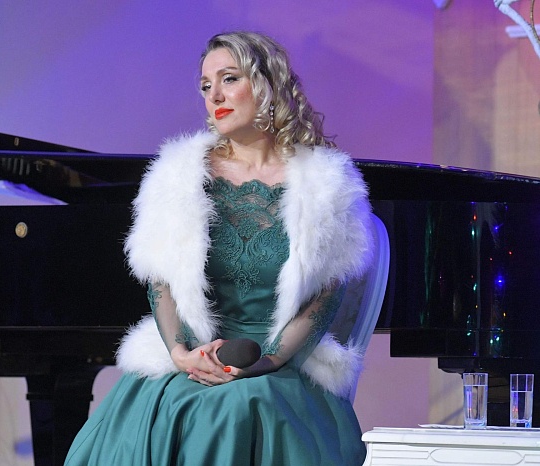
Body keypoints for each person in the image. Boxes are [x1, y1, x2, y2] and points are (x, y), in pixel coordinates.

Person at [64, 31, 373, 466]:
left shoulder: (326, 183)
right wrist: (182, 355)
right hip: (195, 356)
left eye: (229, 79)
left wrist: (268, 361)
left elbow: (324, 298)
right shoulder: (178, 175)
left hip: (281, 363)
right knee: (183, 406)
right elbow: (162, 283)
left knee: (239, 406)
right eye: (206, 86)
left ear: (266, 84)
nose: (215, 96)